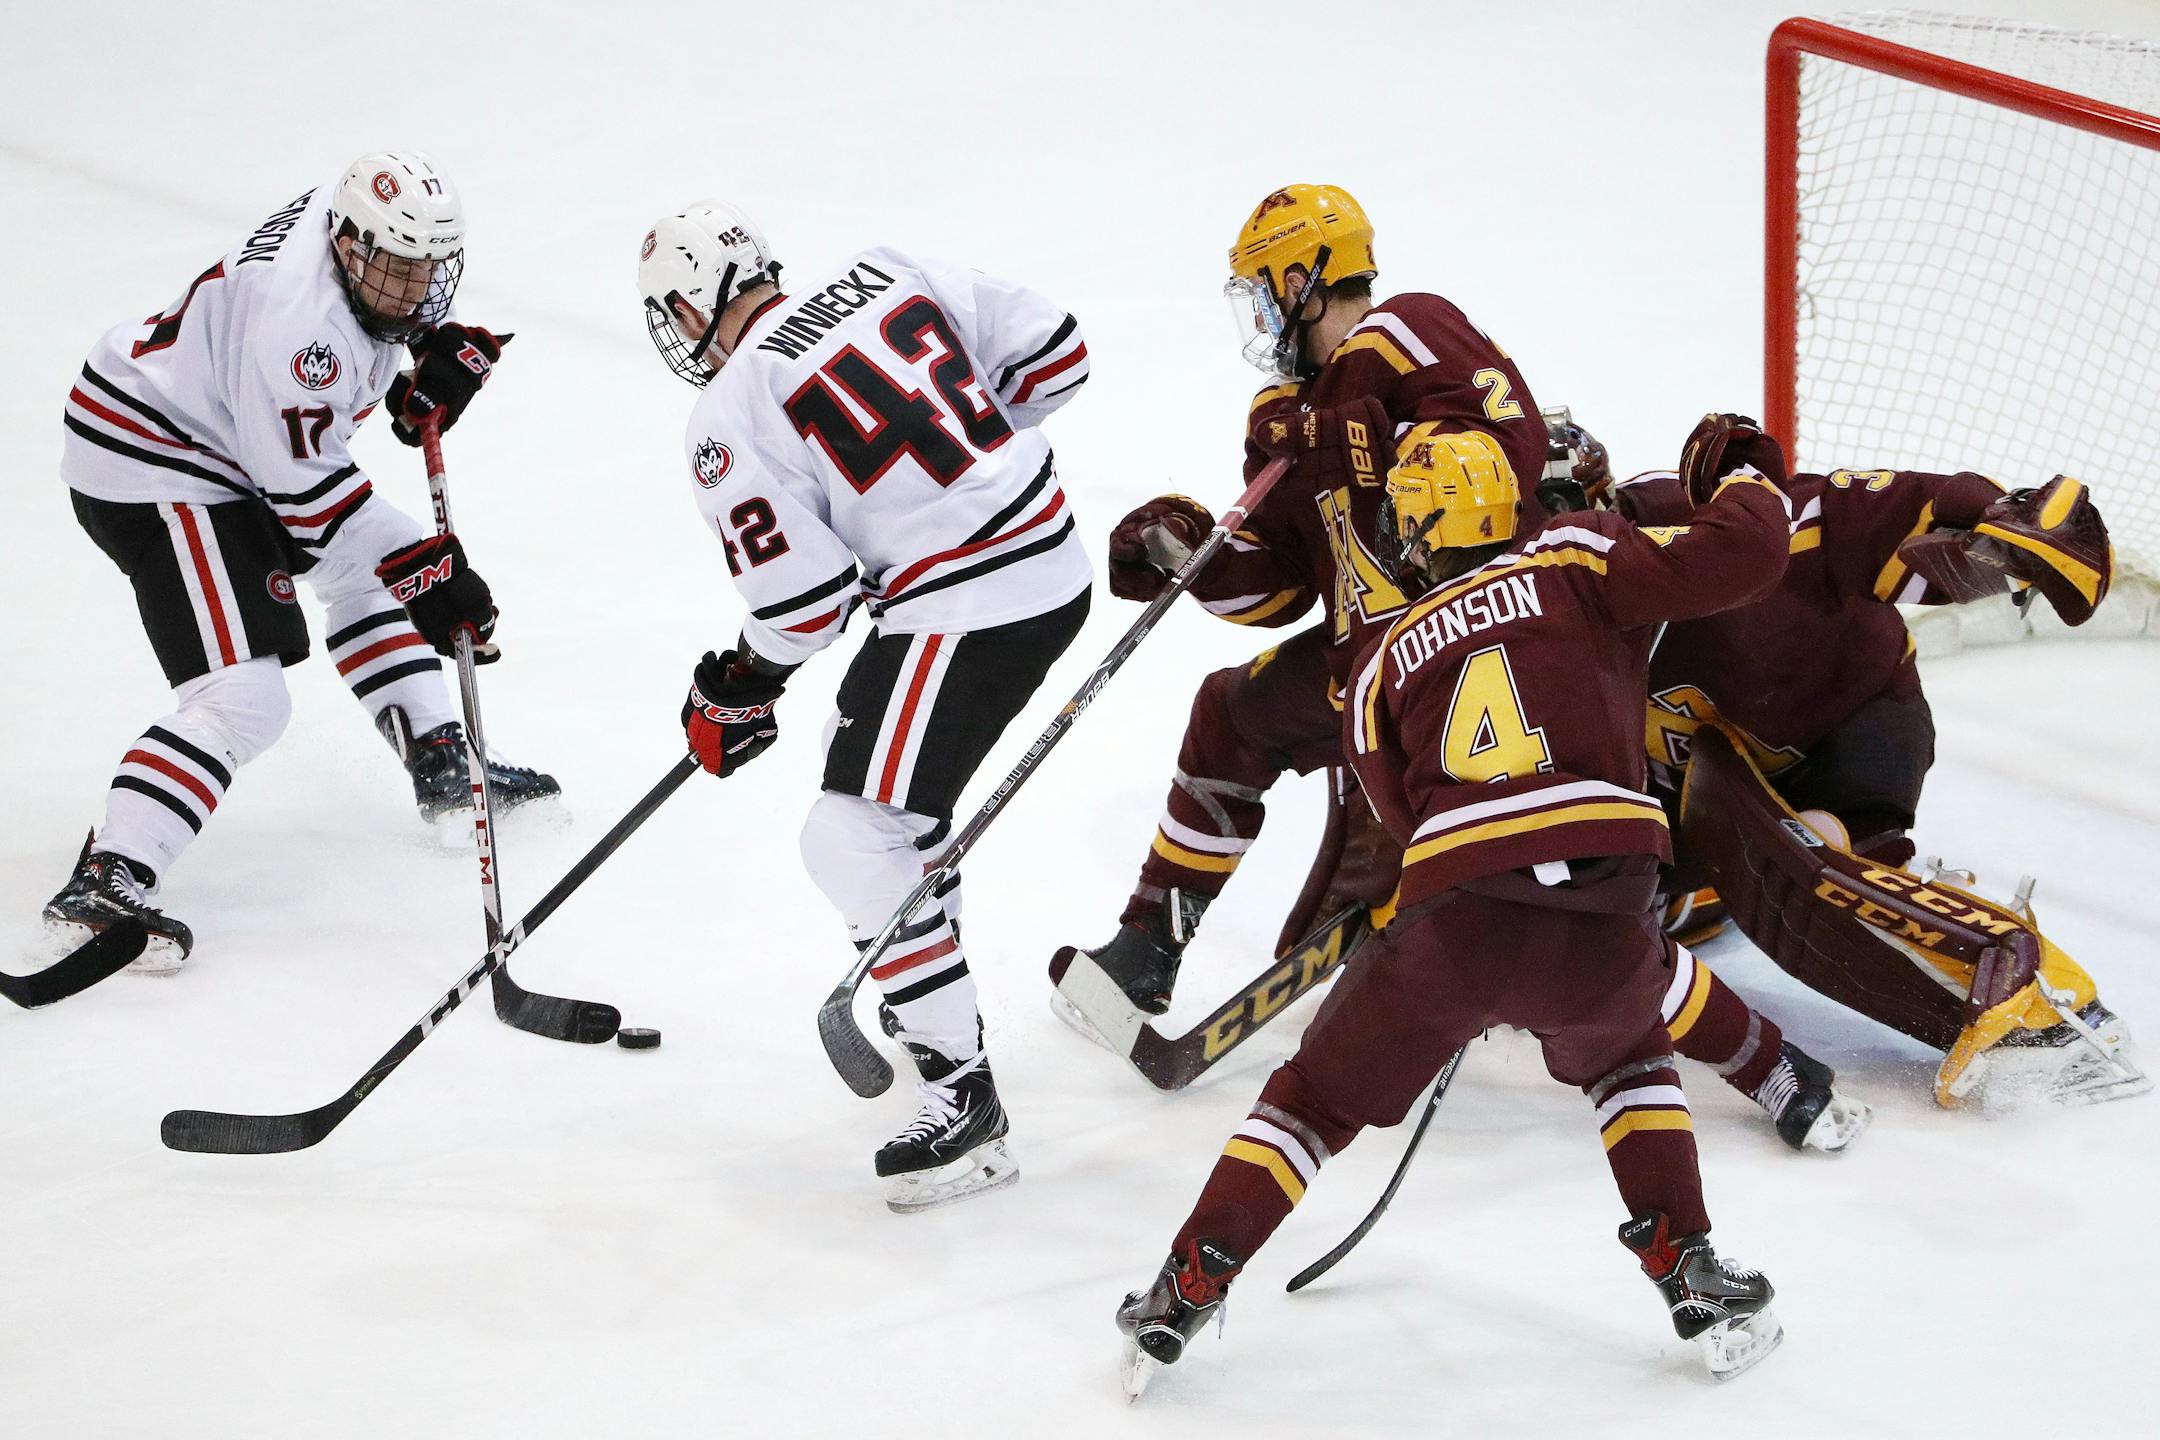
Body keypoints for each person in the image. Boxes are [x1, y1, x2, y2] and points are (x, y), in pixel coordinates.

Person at [1117, 413, 1798, 1395]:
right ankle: (1691, 1272)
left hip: (1455, 918)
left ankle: (1184, 1287)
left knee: (1310, 1103)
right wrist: (1746, 475)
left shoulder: (1381, 658)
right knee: (1630, 1057)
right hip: (1608, 915)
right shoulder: (1576, 552)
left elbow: (1399, 813)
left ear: (1414, 532)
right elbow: (1742, 559)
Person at [638, 200, 1092, 1211]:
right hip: (1048, 552)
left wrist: (739, 683)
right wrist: (970, 475)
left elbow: (802, 602)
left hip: (975, 601)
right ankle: (928, 994)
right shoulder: (886, 266)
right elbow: (1057, 353)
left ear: (687, 302)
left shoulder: (728, 408)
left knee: (849, 836)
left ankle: (962, 1096)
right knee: (900, 810)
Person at [45, 151, 555, 976]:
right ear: (350, 246)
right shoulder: (296, 329)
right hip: (157, 460)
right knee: (245, 696)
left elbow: (351, 369)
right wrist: (430, 568)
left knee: (369, 572)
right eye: (395, 272)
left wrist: (420, 355)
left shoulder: (355, 220)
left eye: (427, 271)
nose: (413, 289)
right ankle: (108, 876)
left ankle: (438, 757)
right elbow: (310, 503)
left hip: (222, 435)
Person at [1050, 182, 1547, 1009]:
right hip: (1368, 664)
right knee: (1232, 713)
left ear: (1300, 282)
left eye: (1262, 292)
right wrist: (1193, 555)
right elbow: (1281, 590)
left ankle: (1503, 937)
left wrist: (1348, 432)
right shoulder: (1285, 411)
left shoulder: (1408, 329)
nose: (1259, 317)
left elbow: (1505, 445)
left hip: (1475, 645)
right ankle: (1147, 949)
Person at [1615, 449, 2144, 1108]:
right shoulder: (1538, 605)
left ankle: (2051, 1005)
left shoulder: (1762, 534)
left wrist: (2001, 525)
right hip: (1710, 779)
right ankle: (1703, 893)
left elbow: (1899, 511)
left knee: (1821, 867)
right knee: (1597, 909)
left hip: (1852, 727)